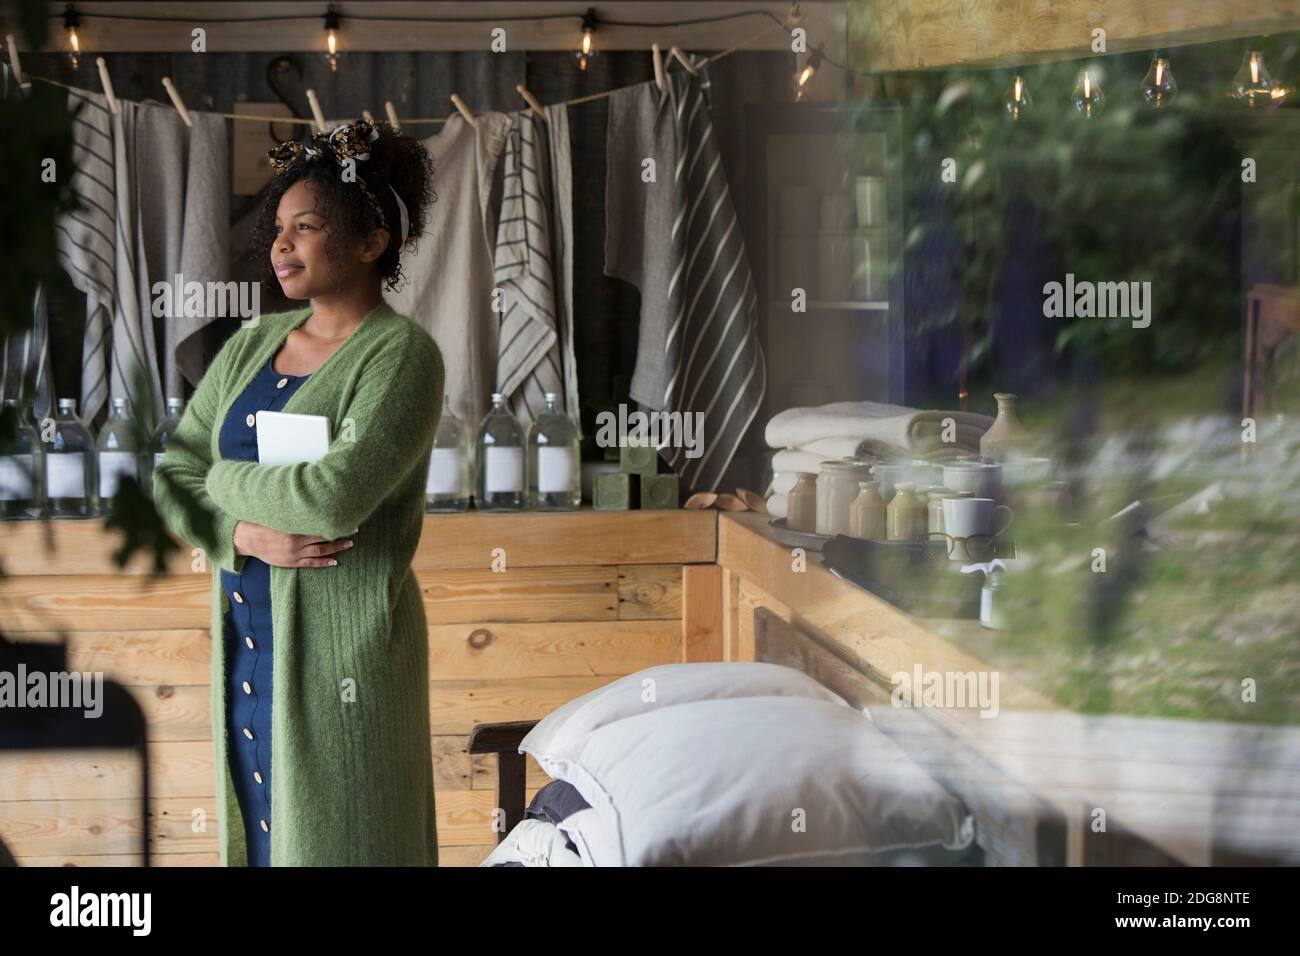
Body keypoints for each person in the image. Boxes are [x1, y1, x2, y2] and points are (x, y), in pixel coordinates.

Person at [153, 119, 445, 865]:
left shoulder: (402, 357)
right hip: (247, 647)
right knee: (257, 840)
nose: (281, 245)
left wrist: (220, 480)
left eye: (306, 227)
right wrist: (240, 534)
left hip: (344, 664)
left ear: (371, 241)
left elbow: (329, 497)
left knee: (345, 842)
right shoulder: (251, 343)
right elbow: (168, 479)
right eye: (278, 228)